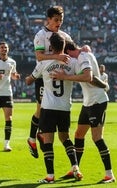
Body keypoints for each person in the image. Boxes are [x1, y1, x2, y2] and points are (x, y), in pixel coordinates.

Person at [27, 5, 90, 159]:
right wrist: (56, 57)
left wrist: (83, 49)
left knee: (50, 108)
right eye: (56, 20)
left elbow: (74, 49)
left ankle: (40, 135)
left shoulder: (64, 35)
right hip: (44, 75)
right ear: (48, 20)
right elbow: (39, 57)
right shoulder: (40, 35)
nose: (59, 22)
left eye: (61, 20)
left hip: (60, 74)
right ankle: (32, 138)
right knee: (41, 108)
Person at [51, 40, 116, 184]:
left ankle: (109, 174)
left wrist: (65, 77)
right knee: (79, 134)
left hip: (97, 102)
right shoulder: (85, 53)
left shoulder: (83, 57)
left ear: (68, 51)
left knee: (97, 138)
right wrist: (104, 85)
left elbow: (88, 77)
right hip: (88, 102)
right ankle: (75, 168)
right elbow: (92, 78)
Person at [25, 33, 83, 184]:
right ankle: (75, 167)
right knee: (65, 138)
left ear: (51, 46)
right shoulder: (73, 62)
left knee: (48, 141)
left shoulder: (45, 63)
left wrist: (29, 77)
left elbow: (29, 81)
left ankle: (50, 176)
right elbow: (83, 75)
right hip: (65, 107)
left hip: (48, 107)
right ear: (64, 45)